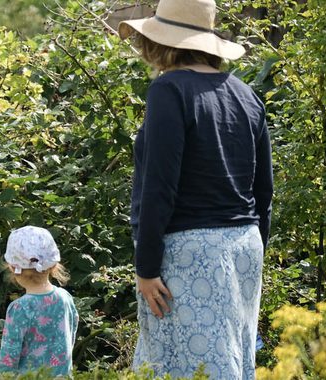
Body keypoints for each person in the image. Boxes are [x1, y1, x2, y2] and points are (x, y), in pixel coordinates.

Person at [119, 0, 274, 378]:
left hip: (191, 254)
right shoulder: (244, 94)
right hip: (244, 247)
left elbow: (160, 184)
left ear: (161, 42)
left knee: (185, 367)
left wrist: (147, 265)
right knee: (230, 362)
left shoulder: (169, 91)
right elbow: (264, 190)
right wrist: (255, 252)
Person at [0, 226, 78, 378]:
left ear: (13, 268)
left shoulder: (20, 308)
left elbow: (9, 356)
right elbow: (70, 337)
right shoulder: (64, 297)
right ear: (53, 265)